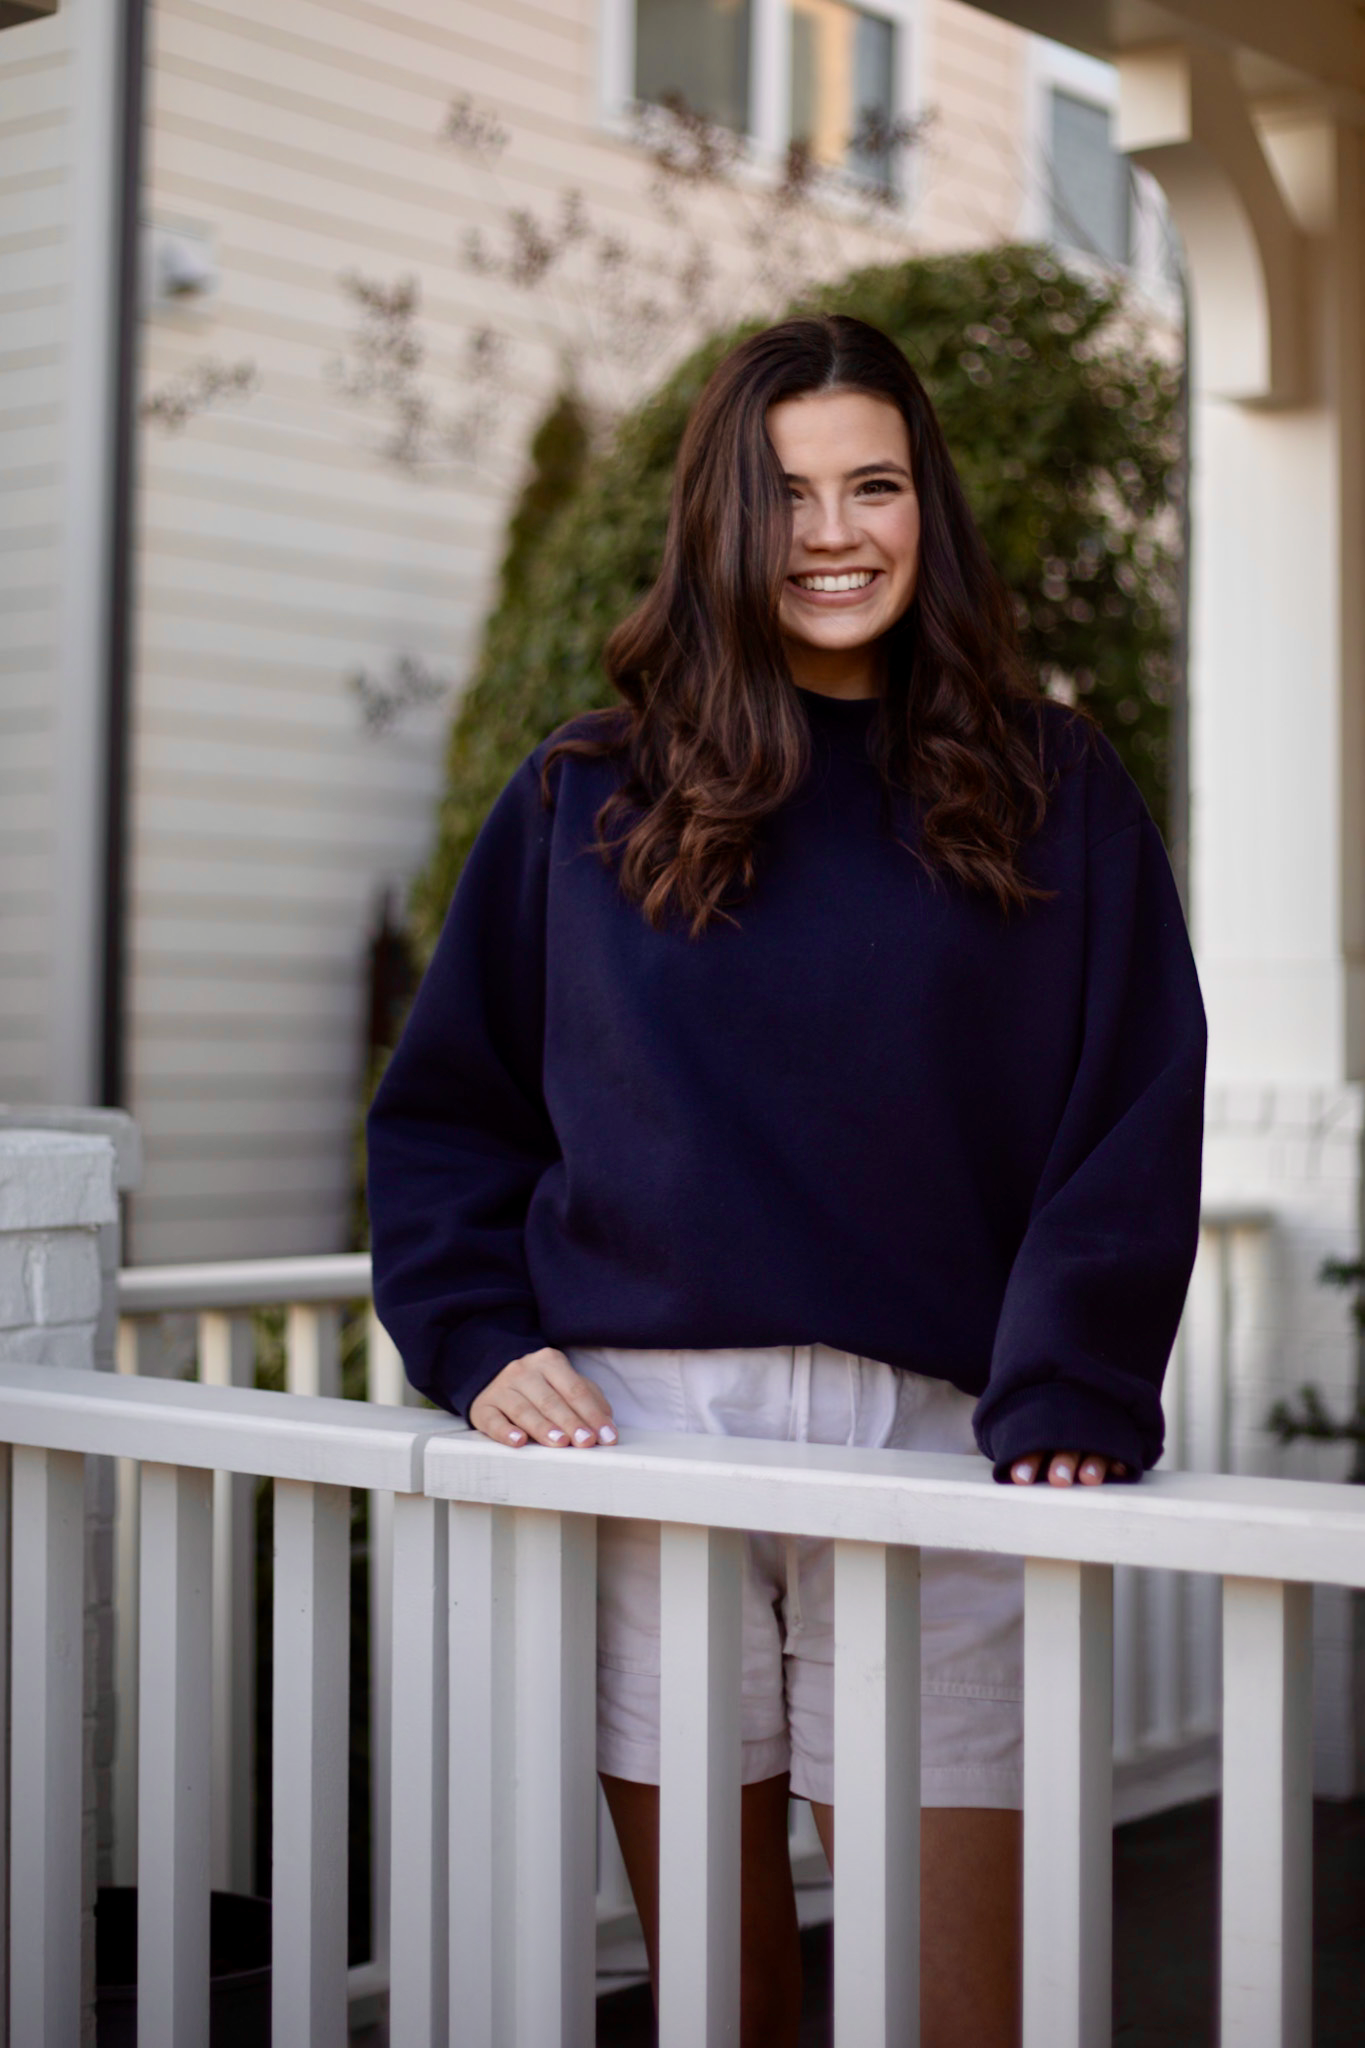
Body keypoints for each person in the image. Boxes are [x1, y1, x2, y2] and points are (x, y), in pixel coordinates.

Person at [367, 314, 1206, 2047]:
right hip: (646, 1444)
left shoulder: (1055, 789)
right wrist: (471, 1333)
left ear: (929, 511)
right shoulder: (586, 795)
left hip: (945, 1454)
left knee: (960, 2010)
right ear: (719, 523)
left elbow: (1133, 1104)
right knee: (722, 2008)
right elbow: (451, 1112)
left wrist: (1073, 1379)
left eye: (874, 485)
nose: (834, 532)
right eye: (787, 491)